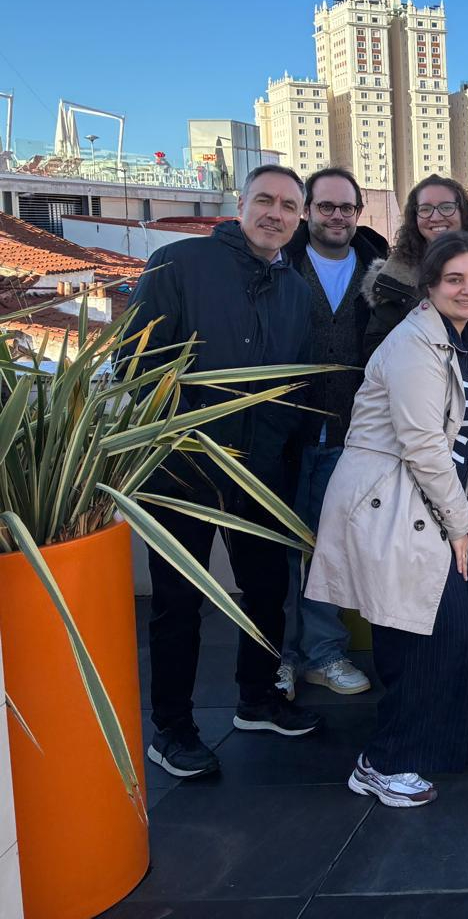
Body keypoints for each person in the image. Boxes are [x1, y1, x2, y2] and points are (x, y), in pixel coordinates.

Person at [131, 165, 324, 779]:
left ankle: (257, 699)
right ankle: (173, 729)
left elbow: (297, 380)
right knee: (178, 603)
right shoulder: (178, 264)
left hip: (261, 471)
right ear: (240, 206)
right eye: (264, 200)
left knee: (266, 592)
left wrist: (275, 441)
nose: (275, 214)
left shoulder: (296, 291)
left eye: (288, 206)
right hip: (182, 469)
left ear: (299, 218)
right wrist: (186, 435)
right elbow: (137, 362)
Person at [307, 232, 468, 807]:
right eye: (454, 280)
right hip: (394, 507)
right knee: (420, 641)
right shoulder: (414, 344)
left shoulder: (466, 349)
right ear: (429, 288)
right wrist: (460, 522)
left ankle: (452, 740)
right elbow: (423, 445)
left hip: (442, 505)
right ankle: (383, 762)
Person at [275, 167, 390, 704]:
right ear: (307, 211)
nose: (337, 216)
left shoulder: (380, 270)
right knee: (277, 552)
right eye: (326, 206)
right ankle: (278, 657)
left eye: (347, 207)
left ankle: (323, 655)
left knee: (330, 550)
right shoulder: (278, 263)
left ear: (358, 213)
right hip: (282, 432)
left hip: (350, 433)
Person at [363, 175, 468, 356]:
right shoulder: (395, 276)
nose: (435, 217)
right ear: (415, 217)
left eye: (446, 207)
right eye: (425, 209)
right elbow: (377, 347)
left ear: (463, 212)